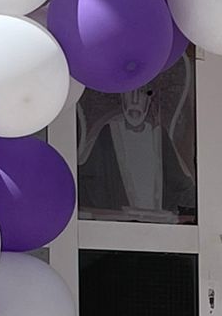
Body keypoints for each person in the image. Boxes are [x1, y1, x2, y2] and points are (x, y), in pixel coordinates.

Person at [77, 70, 195, 222]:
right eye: (129, 92)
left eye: (142, 93)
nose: (134, 100)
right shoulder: (107, 134)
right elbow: (89, 185)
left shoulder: (159, 136)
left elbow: (181, 186)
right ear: (121, 96)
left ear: (150, 99)